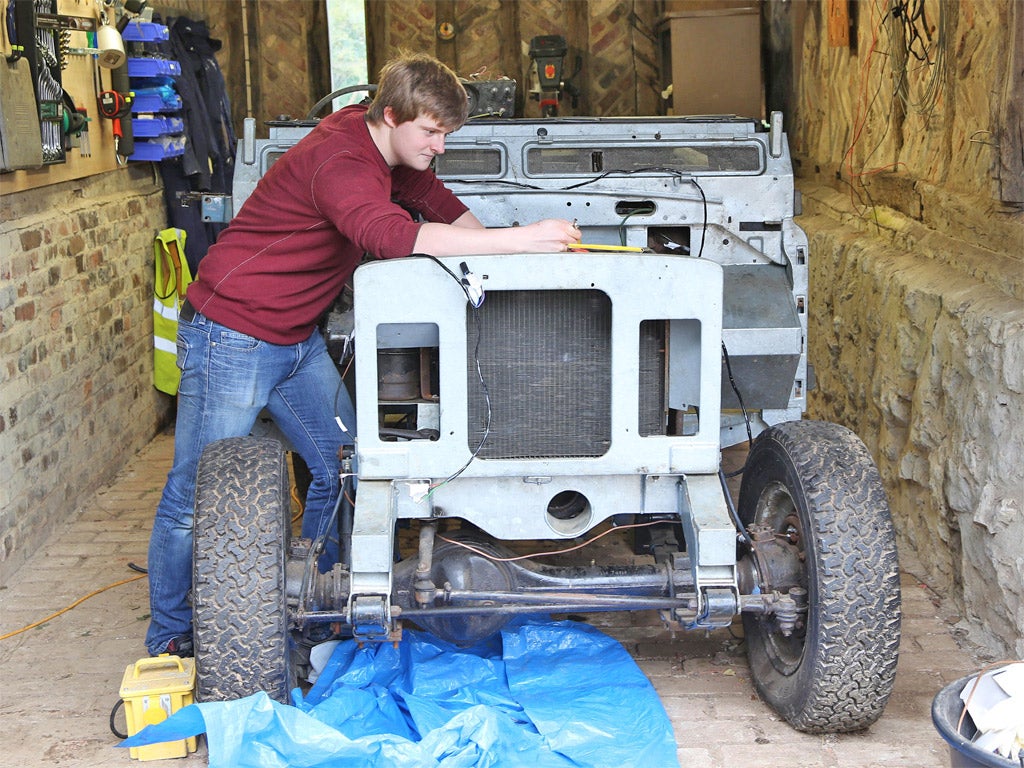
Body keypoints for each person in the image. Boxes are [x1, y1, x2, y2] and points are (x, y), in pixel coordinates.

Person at [145, 52, 580, 656]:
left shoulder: (383, 144)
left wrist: (500, 258)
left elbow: (434, 198)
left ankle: (316, 602)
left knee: (348, 468)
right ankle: (171, 636)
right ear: (392, 115)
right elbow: (389, 236)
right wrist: (523, 240)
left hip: (294, 338)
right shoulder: (342, 159)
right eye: (431, 132)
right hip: (233, 335)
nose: (440, 146)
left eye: (446, 134)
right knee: (193, 498)